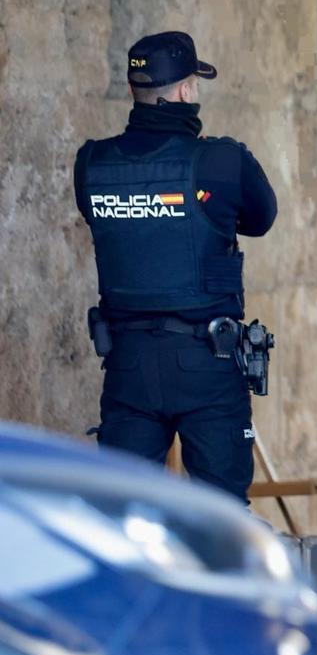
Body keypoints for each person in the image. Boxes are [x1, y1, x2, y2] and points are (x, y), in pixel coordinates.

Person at [72, 31, 277, 503]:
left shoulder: (92, 164)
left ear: (132, 91)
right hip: (206, 360)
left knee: (123, 519)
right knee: (219, 520)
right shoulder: (222, 161)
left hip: (129, 366)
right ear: (186, 90)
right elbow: (261, 220)